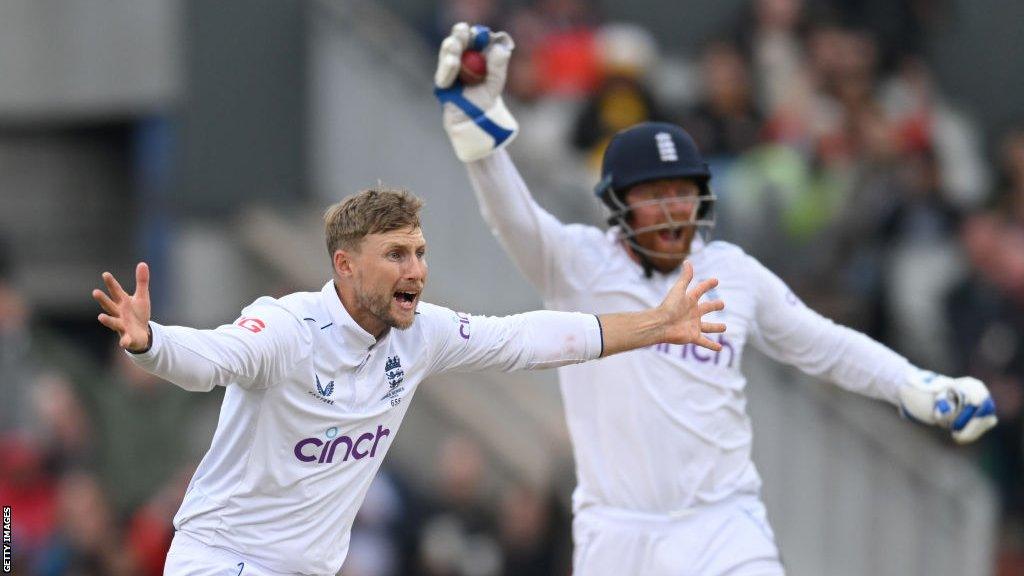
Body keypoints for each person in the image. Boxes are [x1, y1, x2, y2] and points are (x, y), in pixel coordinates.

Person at [433, 23, 999, 575]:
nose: (673, 210)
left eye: (682, 193)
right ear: (617, 205)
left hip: (722, 523)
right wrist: (478, 137)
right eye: (654, 196)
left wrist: (915, 385)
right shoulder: (577, 265)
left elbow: (823, 345)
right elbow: (513, 220)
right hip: (617, 534)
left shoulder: (731, 272)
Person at [90, 186, 726, 576]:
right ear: (345, 264)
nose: (416, 269)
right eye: (396, 254)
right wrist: (152, 342)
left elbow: (528, 338)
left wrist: (655, 325)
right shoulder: (286, 328)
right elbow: (212, 359)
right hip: (224, 561)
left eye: (419, 252)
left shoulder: (423, 334)